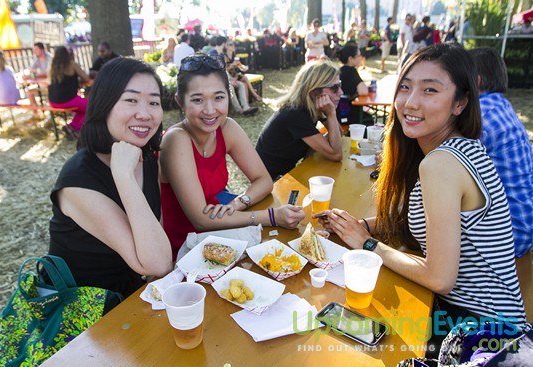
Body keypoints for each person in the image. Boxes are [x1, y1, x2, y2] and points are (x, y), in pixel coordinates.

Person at [315, 44, 527, 344]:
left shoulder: (441, 163)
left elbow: (440, 278)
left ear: (460, 103)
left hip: (483, 333)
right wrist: (363, 225)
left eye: (430, 90)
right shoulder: (460, 147)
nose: (411, 103)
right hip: (487, 318)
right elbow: (428, 219)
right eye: (405, 87)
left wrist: (367, 243)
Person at [48, 57, 173, 298]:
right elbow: (158, 264)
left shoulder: (146, 157)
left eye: (153, 102)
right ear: (104, 104)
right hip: (82, 310)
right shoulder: (78, 181)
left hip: (134, 295)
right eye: (131, 100)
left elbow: (156, 241)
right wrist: (124, 177)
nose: (145, 114)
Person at [158, 54, 304, 258]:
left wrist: (239, 202)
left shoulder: (227, 127)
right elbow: (202, 219)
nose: (210, 110)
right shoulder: (176, 140)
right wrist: (271, 216)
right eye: (198, 100)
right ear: (180, 102)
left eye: (218, 97)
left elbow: (263, 180)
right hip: (185, 250)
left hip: (220, 235)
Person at [467, 47, 533, 286]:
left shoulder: (480, 115)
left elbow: (446, 167)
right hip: (524, 227)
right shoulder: (500, 107)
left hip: (505, 239)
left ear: (475, 81)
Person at [255, 59, 344, 180]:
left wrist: (327, 114)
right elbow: (336, 154)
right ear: (314, 91)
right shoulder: (295, 114)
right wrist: (331, 114)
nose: (341, 92)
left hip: (289, 172)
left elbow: (340, 134)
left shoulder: (310, 106)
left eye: (340, 85)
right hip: (270, 180)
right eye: (335, 87)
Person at [48, 46, 90, 139]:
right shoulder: (71, 64)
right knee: (91, 106)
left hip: (53, 101)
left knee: (82, 109)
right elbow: (86, 78)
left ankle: (71, 127)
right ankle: (78, 130)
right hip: (67, 100)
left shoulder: (53, 67)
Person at [336, 43, 374, 125]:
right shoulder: (351, 71)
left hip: (339, 112)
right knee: (368, 119)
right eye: (358, 55)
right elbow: (364, 91)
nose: (361, 58)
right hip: (347, 114)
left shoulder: (340, 70)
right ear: (350, 58)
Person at [23, 42, 52, 117]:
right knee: (29, 91)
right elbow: (31, 71)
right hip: (41, 84)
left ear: (42, 50)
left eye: (36, 50)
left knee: (49, 90)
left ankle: (51, 114)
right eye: (34, 50)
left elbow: (48, 73)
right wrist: (29, 75)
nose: (34, 52)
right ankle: (36, 114)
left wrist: (32, 76)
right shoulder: (36, 59)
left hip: (50, 84)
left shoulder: (50, 58)